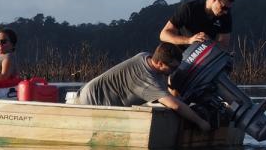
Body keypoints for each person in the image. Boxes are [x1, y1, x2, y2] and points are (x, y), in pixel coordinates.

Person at [73, 42, 211, 131]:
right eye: (173, 68)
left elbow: (167, 91)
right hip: (91, 102)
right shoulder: (146, 79)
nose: (174, 71)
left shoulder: (145, 56)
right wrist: (200, 122)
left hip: (88, 91)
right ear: (160, 64)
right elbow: (175, 106)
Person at [159, 0, 235, 49]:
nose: (226, 12)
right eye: (224, 7)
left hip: (206, 55)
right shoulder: (189, 8)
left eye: (229, 8)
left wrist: (210, 43)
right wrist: (189, 40)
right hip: (181, 54)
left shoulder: (226, 16)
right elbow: (164, 35)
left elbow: (224, 45)